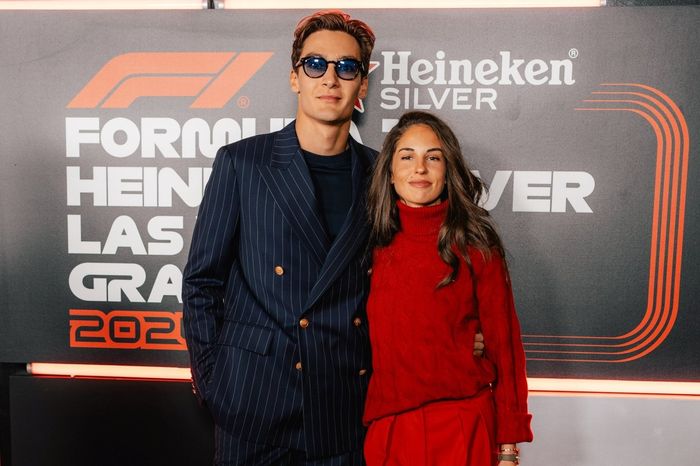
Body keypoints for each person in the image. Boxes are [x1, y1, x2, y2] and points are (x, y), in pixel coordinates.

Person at [183, 11, 484, 465]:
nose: (330, 78)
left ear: (362, 85)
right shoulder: (243, 163)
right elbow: (202, 282)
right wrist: (214, 382)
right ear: (294, 77)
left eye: (346, 67)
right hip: (253, 402)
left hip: (343, 407)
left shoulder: (383, 173)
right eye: (315, 64)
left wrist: (454, 335)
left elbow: (412, 273)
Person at [363, 111, 533, 466]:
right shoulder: (368, 244)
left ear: (448, 169)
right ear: (390, 173)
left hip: (464, 423)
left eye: (433, 157)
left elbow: (505, 348)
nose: (420, 168)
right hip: (389, 428)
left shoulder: (476, 245)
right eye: (407, 156)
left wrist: (508, 447)